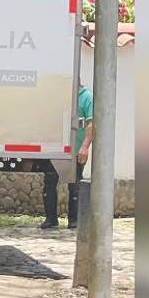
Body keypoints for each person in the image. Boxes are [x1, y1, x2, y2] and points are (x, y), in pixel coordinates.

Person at [39, 82, 94, 229]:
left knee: (75, 185)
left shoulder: (87, 97)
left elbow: (91, 124)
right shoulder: (61, 97)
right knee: (49, 183)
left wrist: (84, 147)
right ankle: (51, 219)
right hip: (57, 149)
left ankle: (74, 221)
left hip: (76, 150)